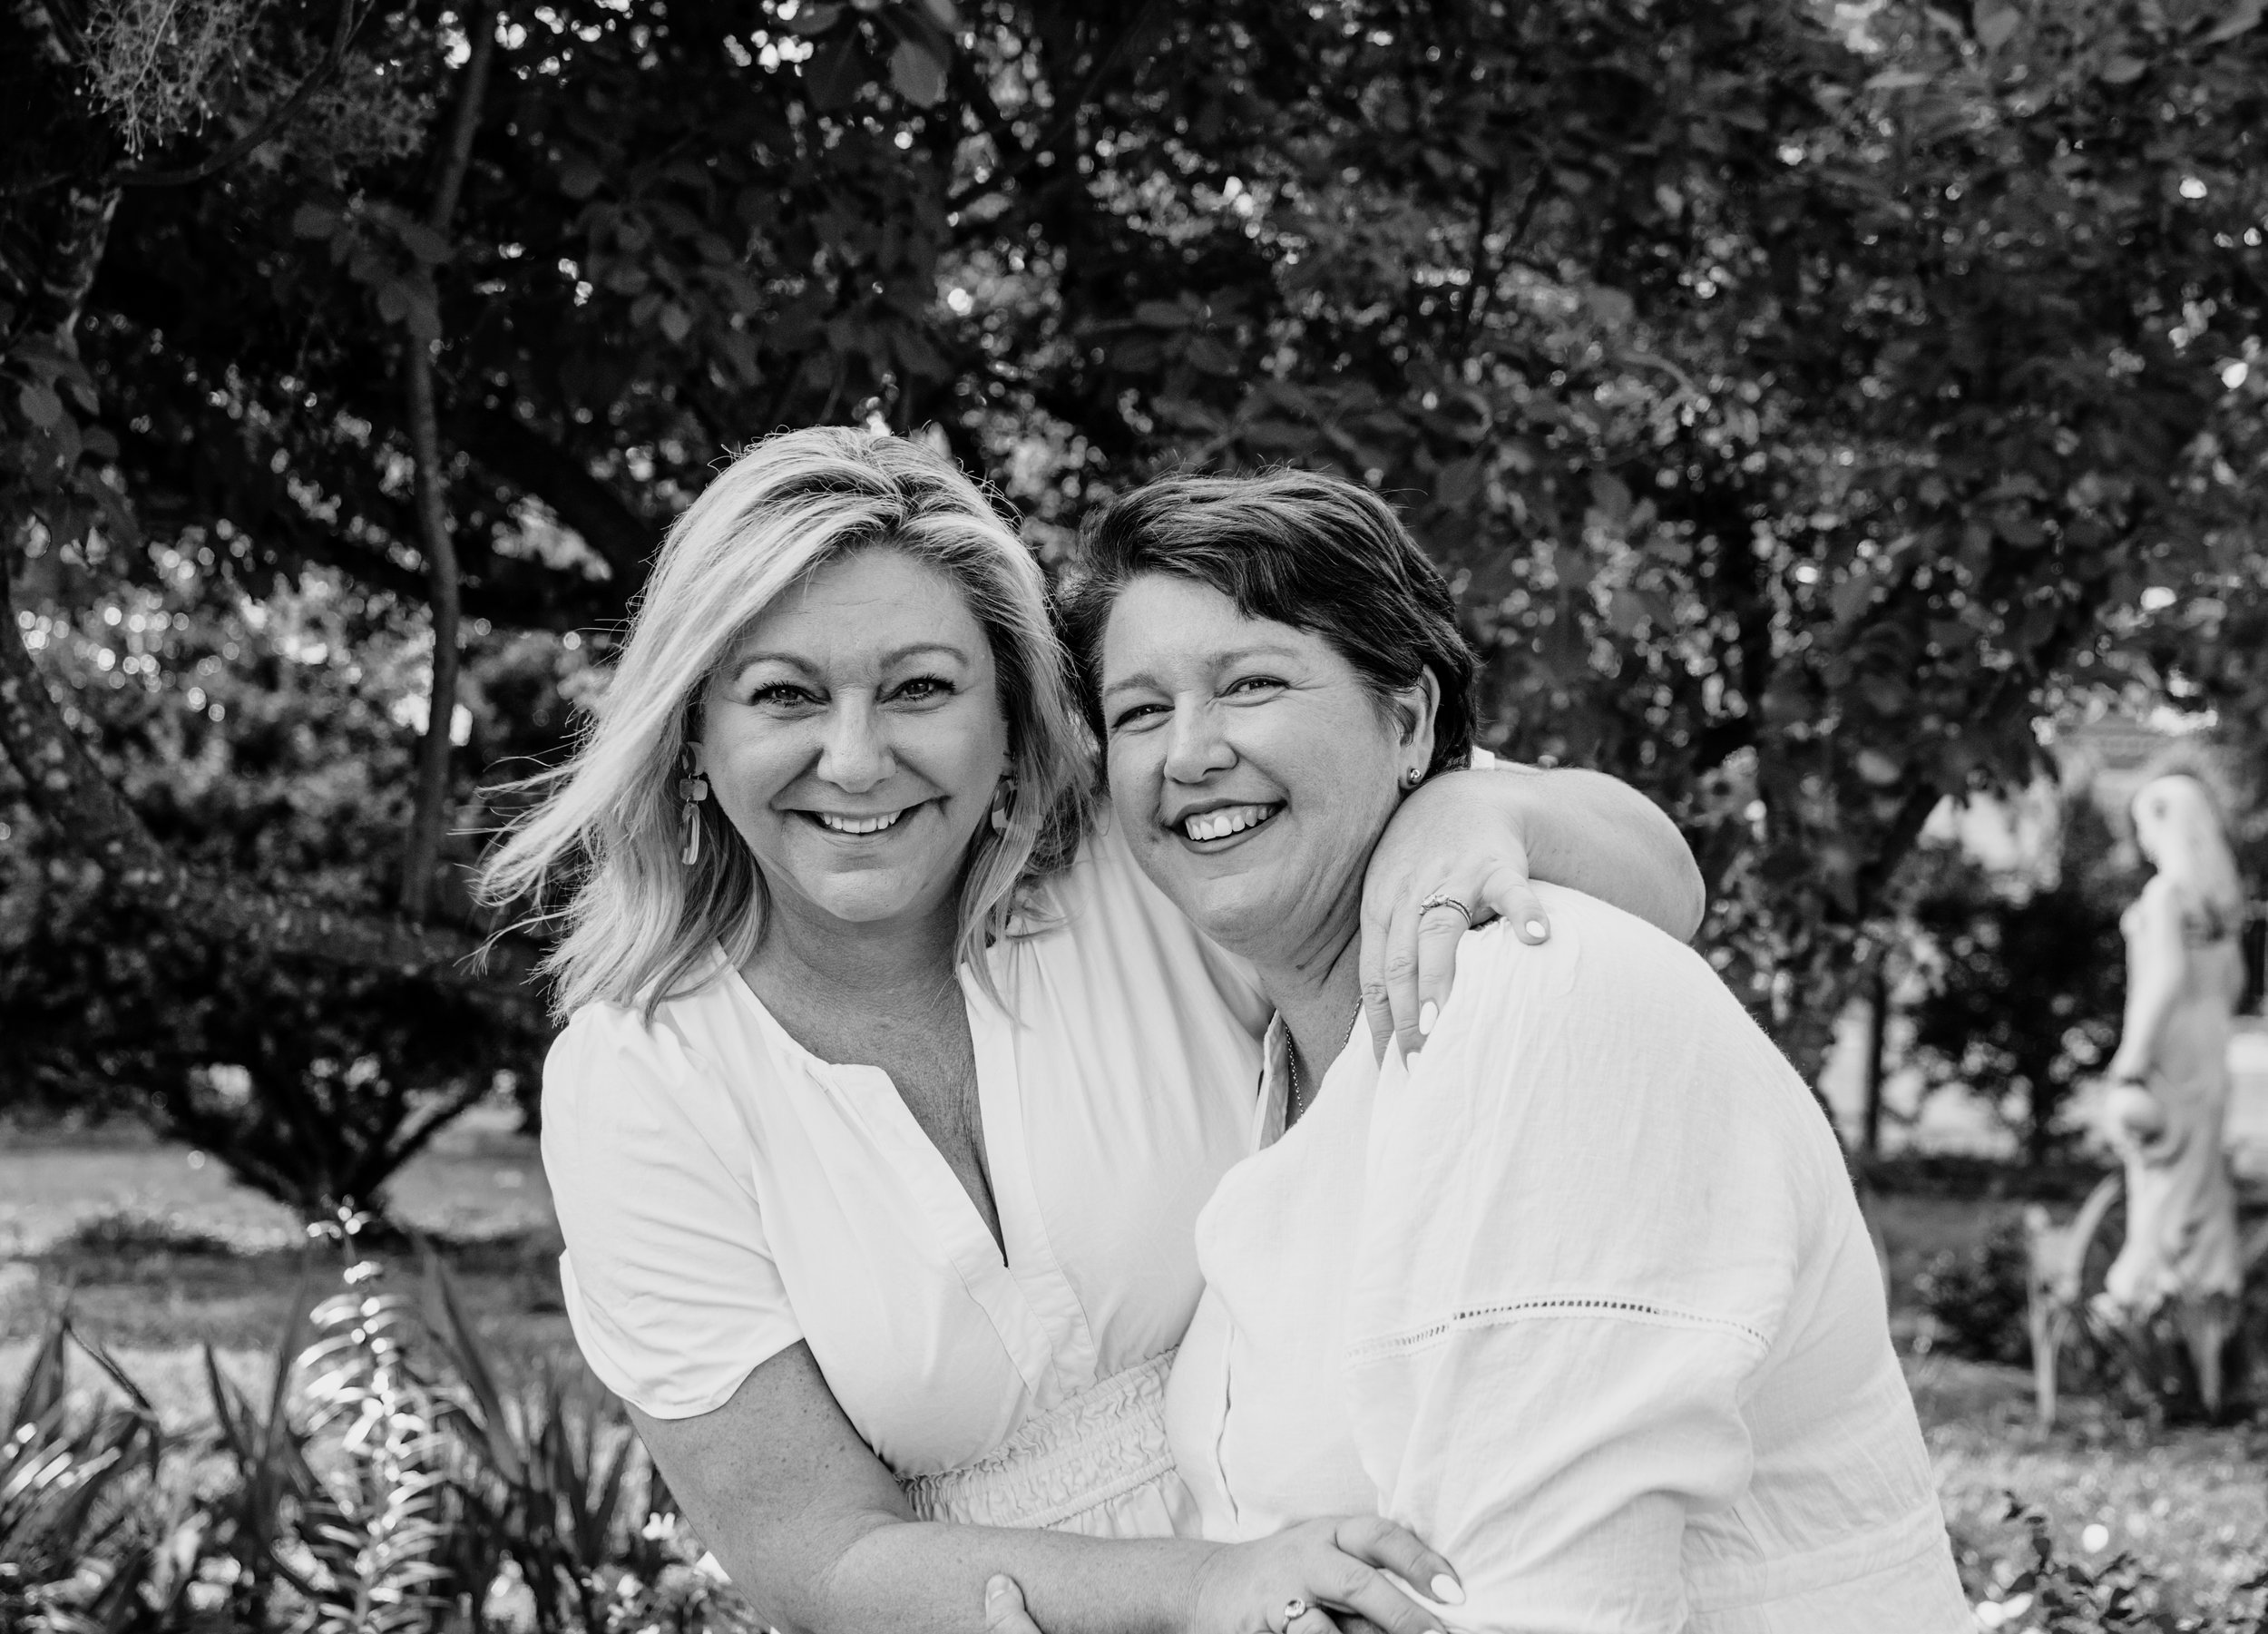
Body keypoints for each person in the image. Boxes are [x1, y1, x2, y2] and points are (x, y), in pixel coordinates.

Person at [479, 428, 1707, 1634]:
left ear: (1010, 716)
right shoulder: (641, 1079)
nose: (854, 761)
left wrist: (1478, 808)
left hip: (1383, 1559)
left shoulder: (1153, 865)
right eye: (786, 695)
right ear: (694, 732)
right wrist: (1211, 1590)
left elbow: (1661, 881)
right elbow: (819, 1552)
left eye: (919, 688)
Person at [995, 469, 1971, 1633]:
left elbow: (1558, 1604)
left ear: (1406, 722)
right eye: (1141, 712)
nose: (1191, 751)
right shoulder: (1298, 1045)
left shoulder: (1530, 1003)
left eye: (1250, 683)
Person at [2096, 772, 2248, 1405]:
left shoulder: (2165, 896)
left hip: (2169, 1053)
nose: (2143, 841)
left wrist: (2130, 1060)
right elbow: (2233, 982)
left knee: (2159, 1193)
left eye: (2145, 826)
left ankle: (2143, 1338)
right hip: (2210, 1049)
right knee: (2199, 1192)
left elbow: (2163, 981)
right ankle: (2210, 1341)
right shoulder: (2219, 905)